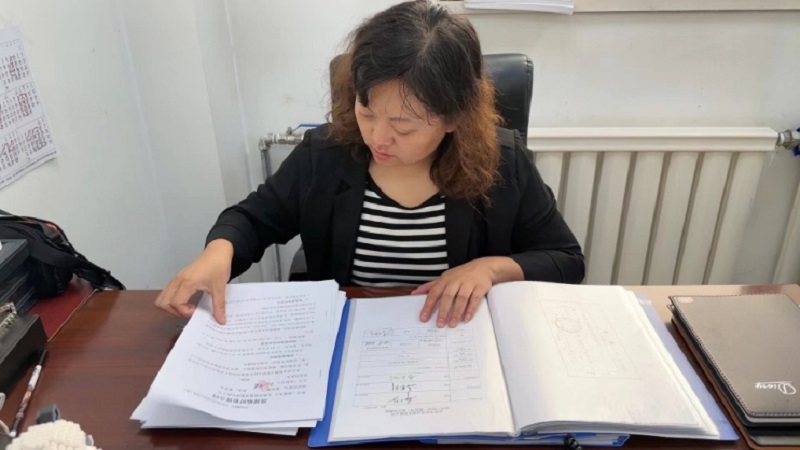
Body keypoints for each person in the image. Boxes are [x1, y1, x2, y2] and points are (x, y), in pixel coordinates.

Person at [155, 0, 584, 329]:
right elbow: (251, 220)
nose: (378, 137)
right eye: (367, 112)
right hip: (347, 336)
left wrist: (490, 269)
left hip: (454, 338)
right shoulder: (325, 154)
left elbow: (566, 259)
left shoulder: (502, 163)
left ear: (454, 118)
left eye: (403, 126)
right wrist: (217, 253)